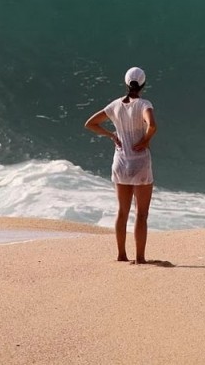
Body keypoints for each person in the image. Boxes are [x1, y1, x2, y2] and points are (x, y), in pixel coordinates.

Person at [84, 66, 157, 264]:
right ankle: (140, 258)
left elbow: (90, 123)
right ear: (143, 84)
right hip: (140, 163)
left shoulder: (115, 105)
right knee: (141, 214)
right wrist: (145, 140)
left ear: (126, 84)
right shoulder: (144, 104)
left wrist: (111, 135)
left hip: (120, 162)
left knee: (122, 211)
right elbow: (152, 125)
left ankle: (121, 255)